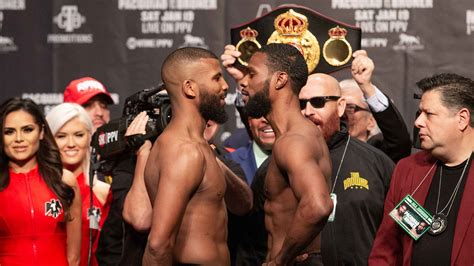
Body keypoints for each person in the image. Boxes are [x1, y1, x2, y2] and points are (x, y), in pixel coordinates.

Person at [142, 47, 252, 265]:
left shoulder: (198, 148)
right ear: (190, 88)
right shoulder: (184, 151)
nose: (225, 86)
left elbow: (244, 205)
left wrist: (214, 163)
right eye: (216, 78)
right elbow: (157, 246)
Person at [242, 43, 333, 265]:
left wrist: (280, 260)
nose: (244, 82)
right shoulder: (299, 135)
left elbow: (318, 205)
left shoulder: (293, 141)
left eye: (252, 74)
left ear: (280, 80)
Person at [369, 73, 474, 266]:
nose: (418, 123)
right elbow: (386, 250)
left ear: (462, 119)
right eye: (419, 114)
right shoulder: (408, 169)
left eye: (429, 114)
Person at [300, 73, 395, 265]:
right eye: (301, 104)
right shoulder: (279, 163)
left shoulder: (376, 162)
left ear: (341, 106)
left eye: (318, 102)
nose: (307, 111)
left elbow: (402, 232)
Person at [0, 97, 81, 265]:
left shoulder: (64, 181)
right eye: (9, 132)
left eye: (27, 130)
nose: (19, 139)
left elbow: (74, 257)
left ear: (41, 132)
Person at [46, 103, 112, 266]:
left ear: (90, 137)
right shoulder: (40, 189)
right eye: (61, 136)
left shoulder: (102, 192)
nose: (71, 143)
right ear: (48, 139)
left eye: (78, 135)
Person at [340, 50, 411, 163]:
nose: (342, 114)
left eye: (350, 107)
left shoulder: (378, 153)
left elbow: (399, 141)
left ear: (371, 122)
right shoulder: (323, 149)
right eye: (338, 106)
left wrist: (365, 86)